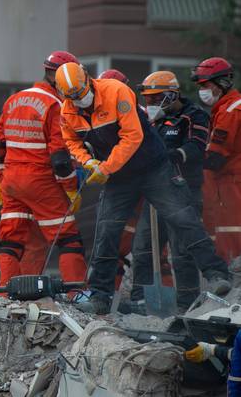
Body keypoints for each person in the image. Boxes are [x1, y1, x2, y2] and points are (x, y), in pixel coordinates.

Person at [54, 62, 232, 314]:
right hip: (119, 177)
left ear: (88, 81)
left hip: (151, 166)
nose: (79, 100)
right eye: (73, 97)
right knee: (106, 231)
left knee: (182, 218)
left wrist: (105, 168)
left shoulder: (116, 92)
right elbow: (71, 141)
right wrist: (88, 161)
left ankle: (216, 273)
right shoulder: (68, 111)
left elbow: (132, 136)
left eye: (82, 93)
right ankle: (100, 296)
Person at [0, 51, 86, 287]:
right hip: (40, 182)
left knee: (10, 241)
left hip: (12, 181)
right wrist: (72, 189)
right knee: (68, 239)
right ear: (57, 77)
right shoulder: (56, 105)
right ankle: (77, 293)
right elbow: (60, 160)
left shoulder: (14, 99)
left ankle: (1, 291)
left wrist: (0, 182)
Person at [125, 71, 211, 311]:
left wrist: (174, 155)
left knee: (182, 252)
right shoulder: (153, 121)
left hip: (183, 193)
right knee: (142, 248)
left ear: (171, 95)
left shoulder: (194, 116)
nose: (150, 103)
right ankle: (139, 301)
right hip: (155, 193)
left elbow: (197, 147)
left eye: (155, 98)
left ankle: (188, 304)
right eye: (148, 99)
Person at [193, 57, 241, 261]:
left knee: (232, 230)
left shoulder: (231, 111)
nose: (202, 89)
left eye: (206, 85)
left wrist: (187, 164)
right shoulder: (224, 109)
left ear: (222, 83)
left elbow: (215, 158)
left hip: (232, 181)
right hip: (229, 181)